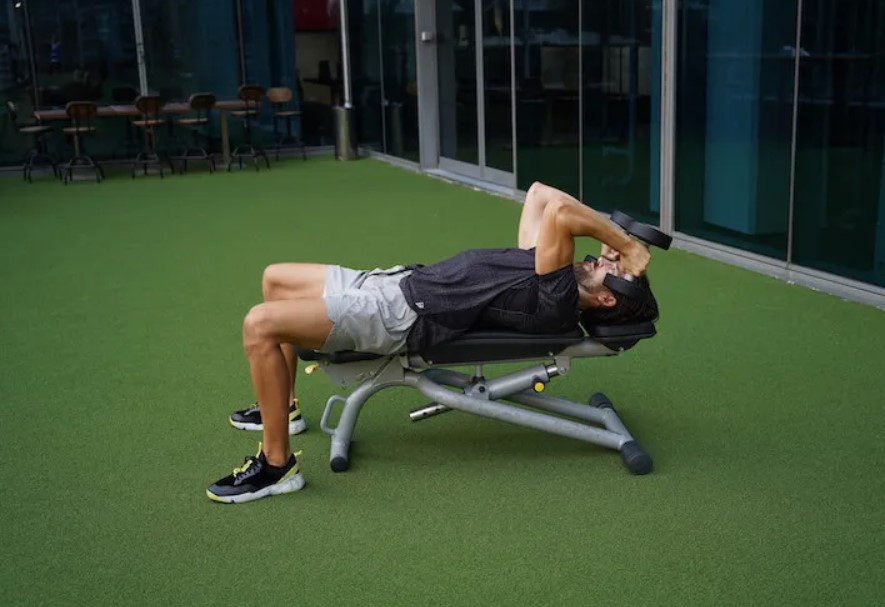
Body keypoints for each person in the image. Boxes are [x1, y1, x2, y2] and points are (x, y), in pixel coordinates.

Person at [206, 182, 657, 504]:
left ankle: (277, 466)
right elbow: (541, 194)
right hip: (400, 282)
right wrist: (622, 244)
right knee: (275, 279)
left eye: (610, 270)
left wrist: (627, 246)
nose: (603, 257)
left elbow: (561, 211)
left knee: (260, 324)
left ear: (602, 298)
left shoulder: (556, 297)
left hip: (401, 315)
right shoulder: (547, 265)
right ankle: (281, 408)